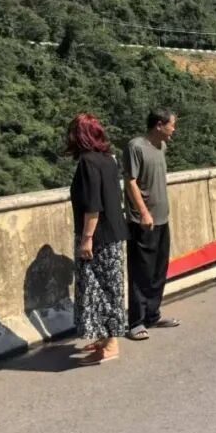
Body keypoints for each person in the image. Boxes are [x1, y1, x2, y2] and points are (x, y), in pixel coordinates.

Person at [67, 113, 128, 365]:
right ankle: (105, 337)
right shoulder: (108, 160)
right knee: (109, 286)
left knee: (98, 289)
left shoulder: (88, 163)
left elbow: (93, 205)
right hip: (113, 232)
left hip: (99, 236)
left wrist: (86, 239)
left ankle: (111, 343)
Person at [124, 108, 179, 341]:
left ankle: (153, 314)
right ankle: (135, 321)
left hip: (162, 218)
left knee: (158, 269)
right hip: (142, 221)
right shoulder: (135, 147)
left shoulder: (161, 147)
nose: (173, 130)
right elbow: (130, 182)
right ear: (159, 125)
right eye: (171, 125)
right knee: (141, 271)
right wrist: (144, 213)